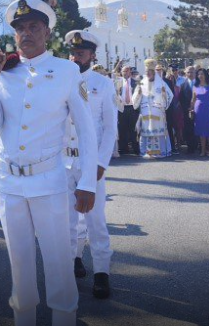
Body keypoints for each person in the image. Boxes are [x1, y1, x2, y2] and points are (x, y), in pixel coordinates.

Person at [0, 0, 98, 326]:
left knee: (58, 264)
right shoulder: (4, 73)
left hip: (48, 180)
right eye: (19, 28)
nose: (25, 33)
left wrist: (87, 182)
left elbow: (87, 133)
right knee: (20, 263)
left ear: (46, 31)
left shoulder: (66, 71)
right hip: (8, 182)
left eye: (33, 27)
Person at [63, 30, 118, 299]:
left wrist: (101, 163)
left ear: (91, 55)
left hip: (90, 161)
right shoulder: (60, 80)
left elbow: (110, 128)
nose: (75, 58)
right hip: (63, 161)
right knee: (68, 218)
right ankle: (74, 258)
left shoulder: (103, 84)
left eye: (80, 53)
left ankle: (102, 273)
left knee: (95, 219)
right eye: (72, 53)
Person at [191, 68, 209, 157]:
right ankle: (202, 150)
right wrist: (191, 109)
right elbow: (193, 99)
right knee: (201, 131)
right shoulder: (195, 86)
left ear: (205, 75)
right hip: (199, 110)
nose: (200, 76)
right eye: (198, 74)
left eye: (202, 74)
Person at [113, 65, 138, 154]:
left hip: (132, 108)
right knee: (122, 129)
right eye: (123, 71)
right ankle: (123, 149)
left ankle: (136, 149)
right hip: (121, 108)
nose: (125, 73)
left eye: (127, 71)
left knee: (133, 129)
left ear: (130, 72)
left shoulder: (136, 83)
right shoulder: (117, 82)